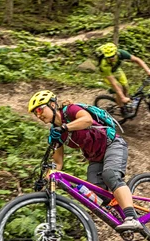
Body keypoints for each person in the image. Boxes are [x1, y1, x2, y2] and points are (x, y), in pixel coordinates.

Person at [27, 89, 143, 232]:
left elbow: (86, 120)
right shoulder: (56, 134)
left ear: (52, 105)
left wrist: (65, 127)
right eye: (35, 113)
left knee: (110, 175)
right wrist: (45, 180)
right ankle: (125, 213)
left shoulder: (69, 111)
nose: (38, 115)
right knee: (95, 193)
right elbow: (57, 163)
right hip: (95, 158)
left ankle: (132, 218)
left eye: (39, 110)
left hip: (112, 144)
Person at [94, 42, 150, 114]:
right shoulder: (104, 65)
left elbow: (137, 60)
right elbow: (114, 83)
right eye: (109, 57)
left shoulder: (121, 53)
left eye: (112, 56)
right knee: (119, 87)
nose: (111, 58)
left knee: (125, 87)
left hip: (116, 69)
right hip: (107, 73)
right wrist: (122, 97)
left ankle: (125, 102)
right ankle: (121, 107)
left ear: (116, 52)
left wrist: (147, 70)